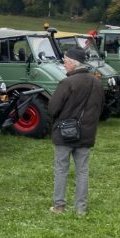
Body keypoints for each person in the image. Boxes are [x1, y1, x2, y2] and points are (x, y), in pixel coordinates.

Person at [49, 46, 104, 216]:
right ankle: (81, 209)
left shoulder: (67, 83)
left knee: (61, 170)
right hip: (87, 132)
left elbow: (52, 109)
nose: (64, 64)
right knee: (82, 172)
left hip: (65, 133)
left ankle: (59, 206)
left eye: (65, 61)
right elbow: (100, 108)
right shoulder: (97, 82)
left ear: (73, 63)